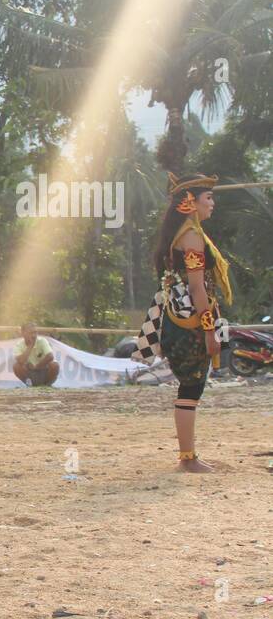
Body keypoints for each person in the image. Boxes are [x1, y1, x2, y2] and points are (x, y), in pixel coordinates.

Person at [136, 173, 232, 472]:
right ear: (190, 202)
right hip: (188, 320)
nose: (212, 203)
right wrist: (208, 331)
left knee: (191, 387)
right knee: (190, 387)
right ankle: (187, 459)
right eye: (208, 198)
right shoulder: (190, 236)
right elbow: (196, 287)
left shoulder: (182, 233)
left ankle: (188, 456)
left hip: (178, 315)